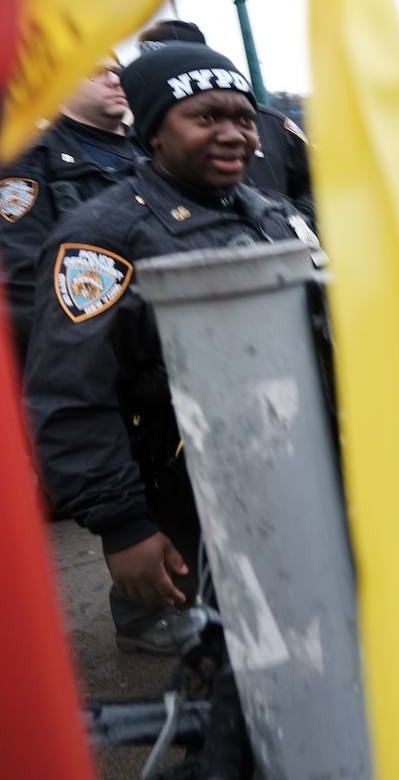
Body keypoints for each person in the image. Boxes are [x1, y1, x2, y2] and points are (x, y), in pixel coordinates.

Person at [25, 43, 319, 655]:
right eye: (206, 117)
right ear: (155, 130)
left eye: (242, 117)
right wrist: (124, 525)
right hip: (188, 486)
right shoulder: (100, 238)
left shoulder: (270, 213)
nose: (234, 133)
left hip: (295, 471)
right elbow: (70, 393)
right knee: (239, 656)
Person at [1, 56, 143, 360]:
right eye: (96, 72)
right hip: (93, 355)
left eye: (118, 71)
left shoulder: (155, 149)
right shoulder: (32, 157)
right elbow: (23, 278)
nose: (115, 79)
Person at [137, 20, 315, 222]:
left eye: (244, 120)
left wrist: (297, 223)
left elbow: (319, 182)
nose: (232, 136)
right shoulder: (135, 135)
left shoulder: (273, 124)